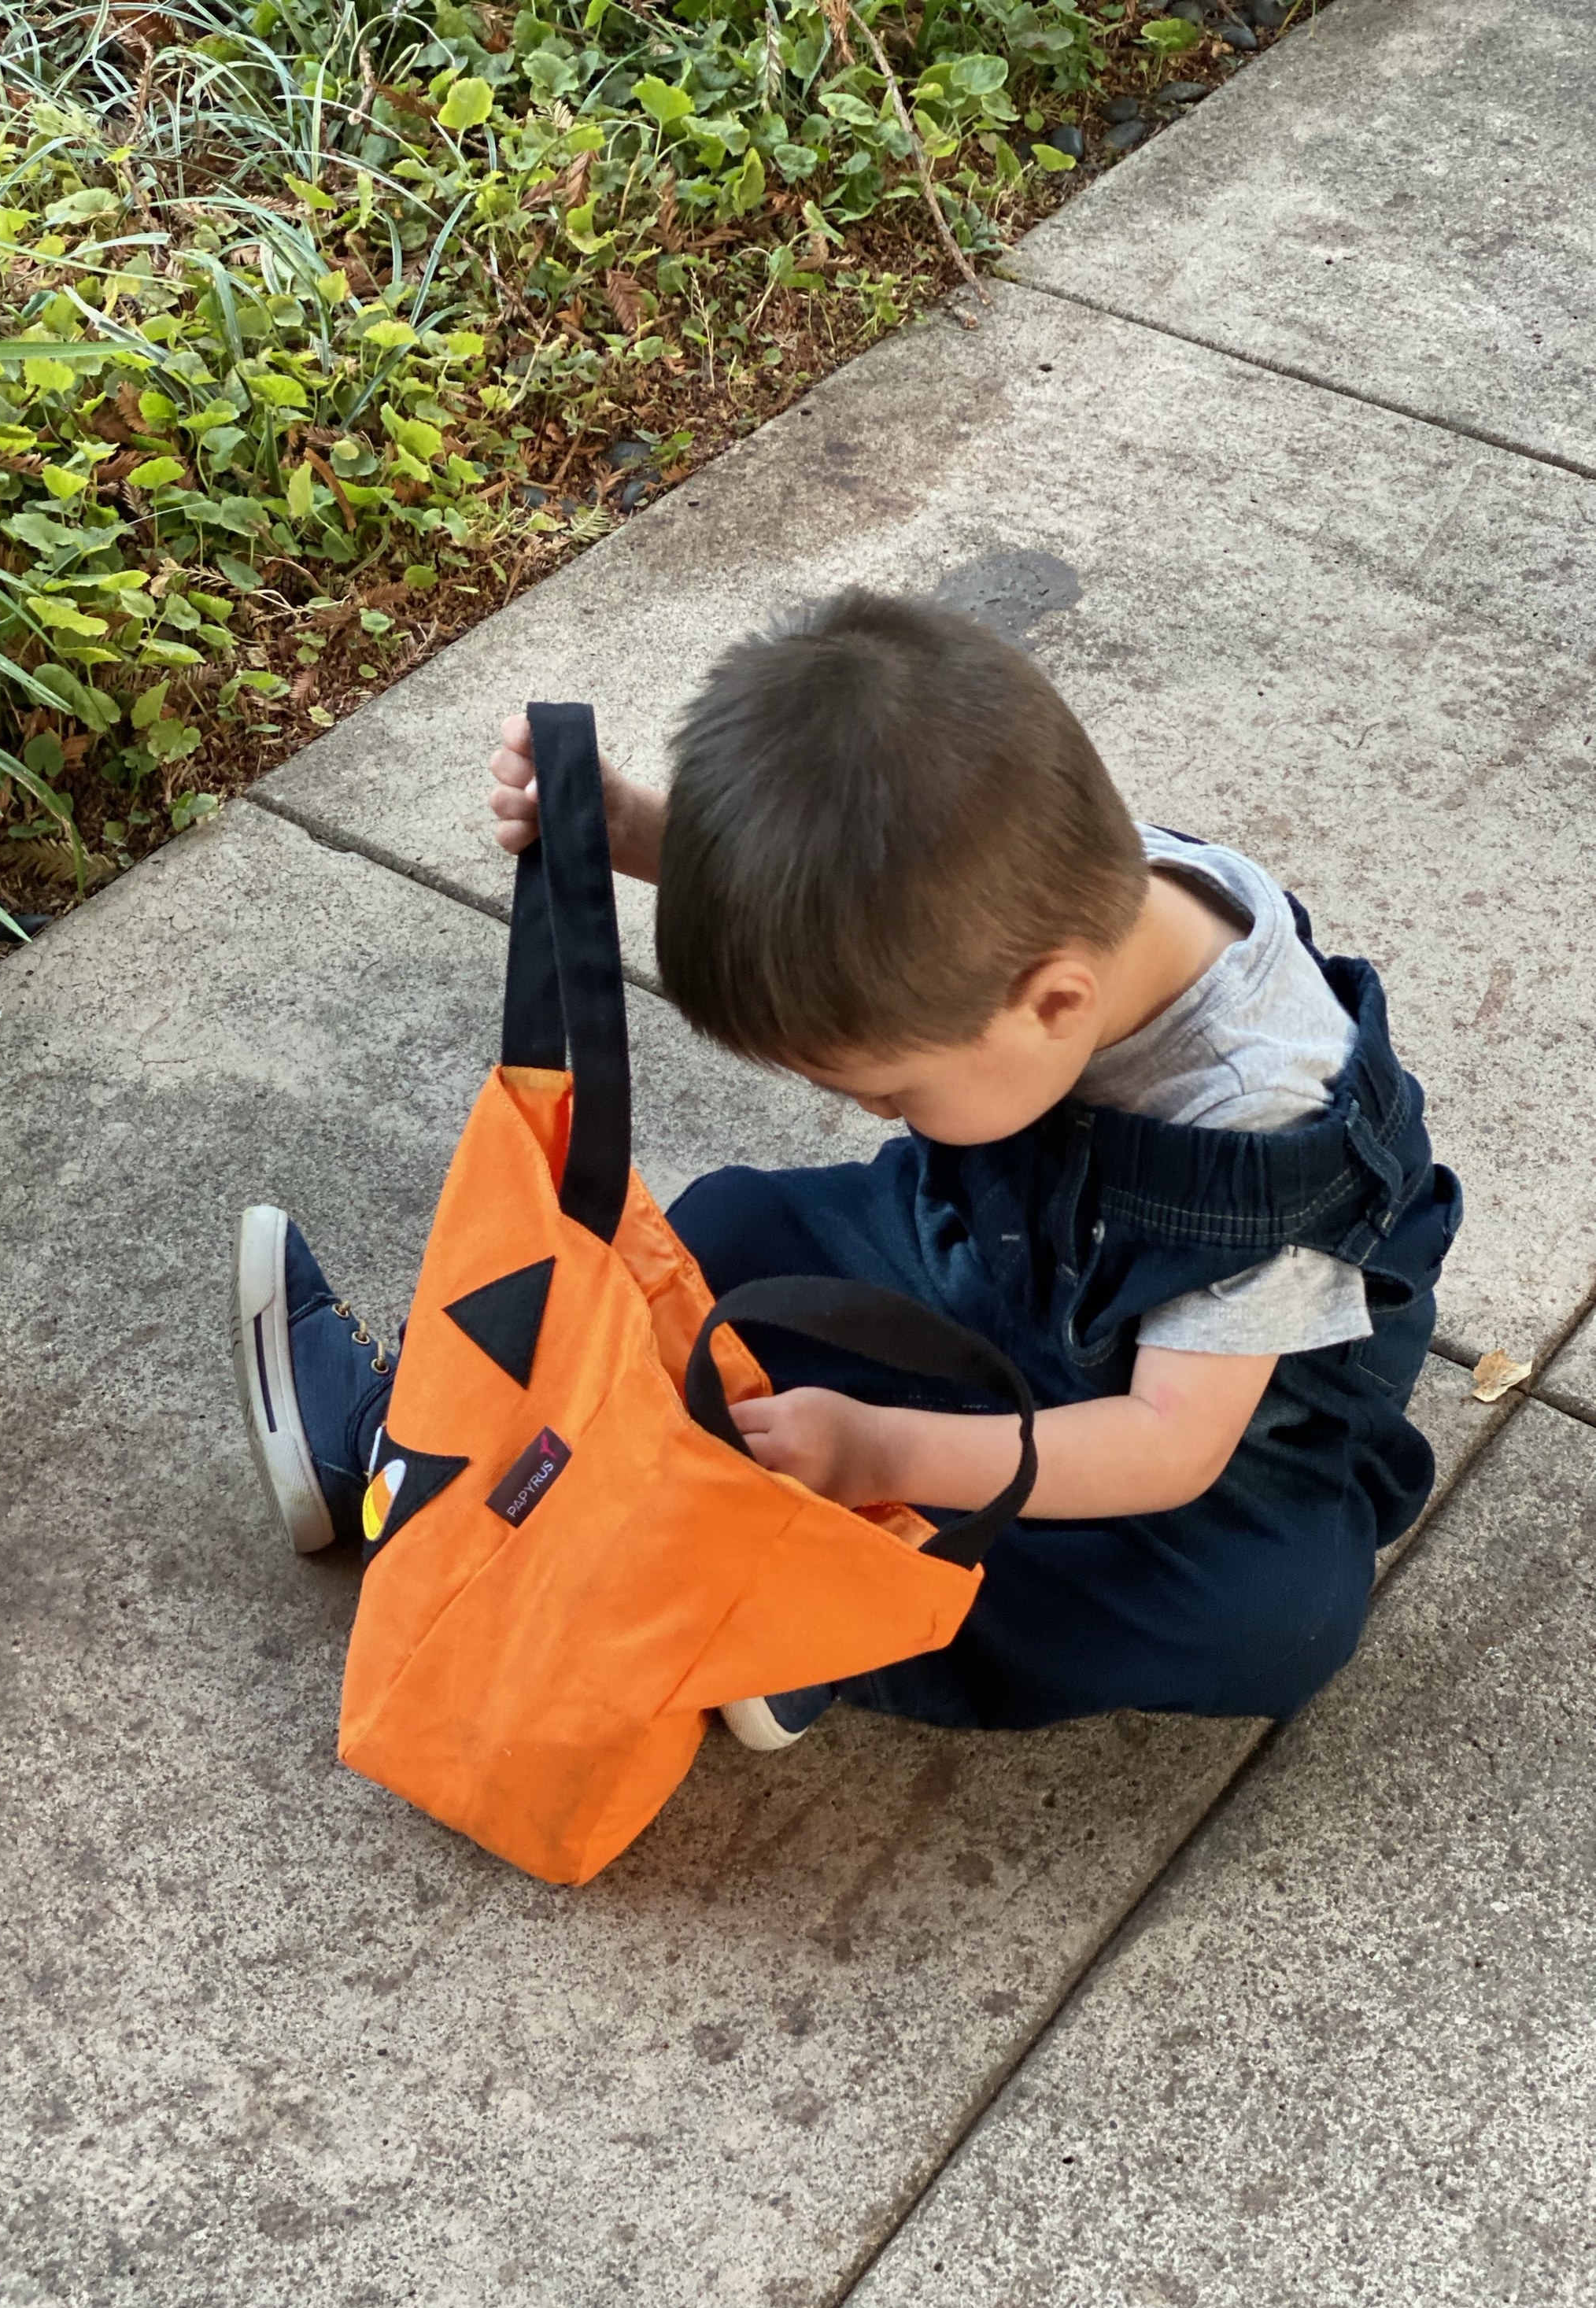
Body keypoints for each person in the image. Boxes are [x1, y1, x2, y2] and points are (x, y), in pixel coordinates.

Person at [233, 590, 1460, 1752]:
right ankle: (399, 1444)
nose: (874, 1109)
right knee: (726, 1233)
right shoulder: (1041, 887)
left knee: (1264, 1614)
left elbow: (1163, 1448)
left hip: (1213, 1431)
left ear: (1054, 1004)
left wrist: (883, 1451)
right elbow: (848, 898)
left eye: (887, 1089)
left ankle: (813, 1617)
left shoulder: (1259, 1133)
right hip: (994, 1261)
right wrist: (637, 834)